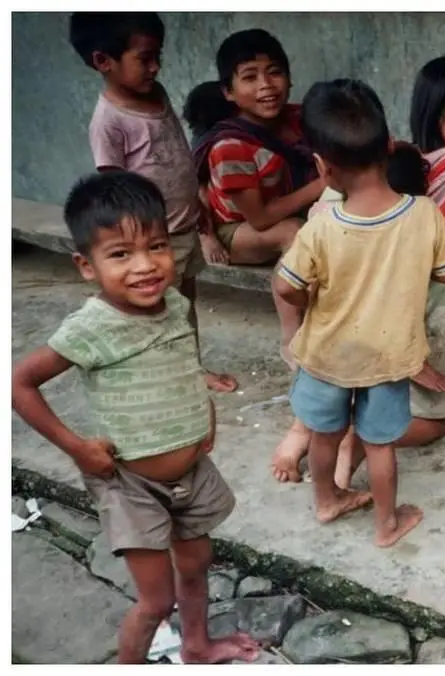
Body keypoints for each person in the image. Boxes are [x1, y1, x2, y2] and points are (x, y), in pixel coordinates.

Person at [11, 171, 259, 664]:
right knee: (155, 600)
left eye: (157, 246)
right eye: (121, 254)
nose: (145, 266)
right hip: (131, 484)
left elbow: (180, 358)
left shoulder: (174, 303)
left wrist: (203, 410)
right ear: (87, 266)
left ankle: (196, 645)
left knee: (197, 565)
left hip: (192, 474)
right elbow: (20, 383)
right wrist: (77, 448)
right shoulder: (93, 326)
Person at [271, 55, 445, 485]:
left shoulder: (379, 170)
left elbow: (297, 275)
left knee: (334, 384)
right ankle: (358, 437)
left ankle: (303, 433)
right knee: (440, 418)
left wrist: (296, 330)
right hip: (418, 327)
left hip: (351, 324)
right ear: (436, 114)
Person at [271, 78, 445, 547]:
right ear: (390, 145)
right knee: (379, 445)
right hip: (389, 357)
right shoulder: (425, 214)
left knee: (324, 434)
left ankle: (327, 500)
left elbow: (285, 286)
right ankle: (386, 525)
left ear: (323, 168)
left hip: (326, 355)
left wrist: (309, 302)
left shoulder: (320, 228)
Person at [69, 11, 237, 393]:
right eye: (144, 58)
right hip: (155, 240)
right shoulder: (108, 121)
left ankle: (191, 367)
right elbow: (115, 190)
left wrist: (198, 205)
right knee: (157, 312)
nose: (156, 66)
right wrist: (136, 246)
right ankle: (166, 373)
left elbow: (176, 155)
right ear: (103, 61)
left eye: (157, 55)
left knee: (184, 305)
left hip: (184, 227)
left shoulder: (156, 94)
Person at [189, 28, 324, 367]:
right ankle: (292, 337)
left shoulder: (299, 119)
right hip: (237, 230)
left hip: (291, 210)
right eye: (250, 77)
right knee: (293, 233)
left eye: (274, 72)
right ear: (229, 92)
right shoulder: (230, 146)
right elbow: (261, 218)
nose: (266, 85)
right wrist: (323, 184)